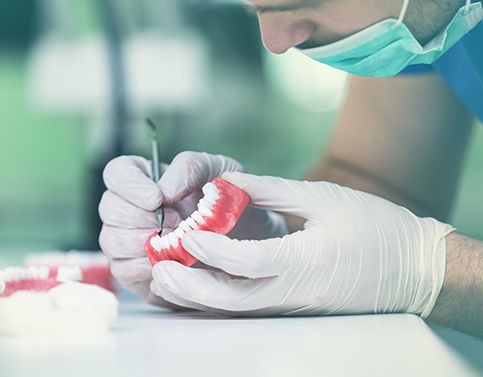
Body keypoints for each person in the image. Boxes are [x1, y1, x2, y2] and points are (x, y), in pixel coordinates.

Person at [98, 0, 483, 337]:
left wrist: (434, 269)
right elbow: (382, 179)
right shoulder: (423, 22)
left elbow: (408, 256)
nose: (276, 42)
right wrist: (265, 237)